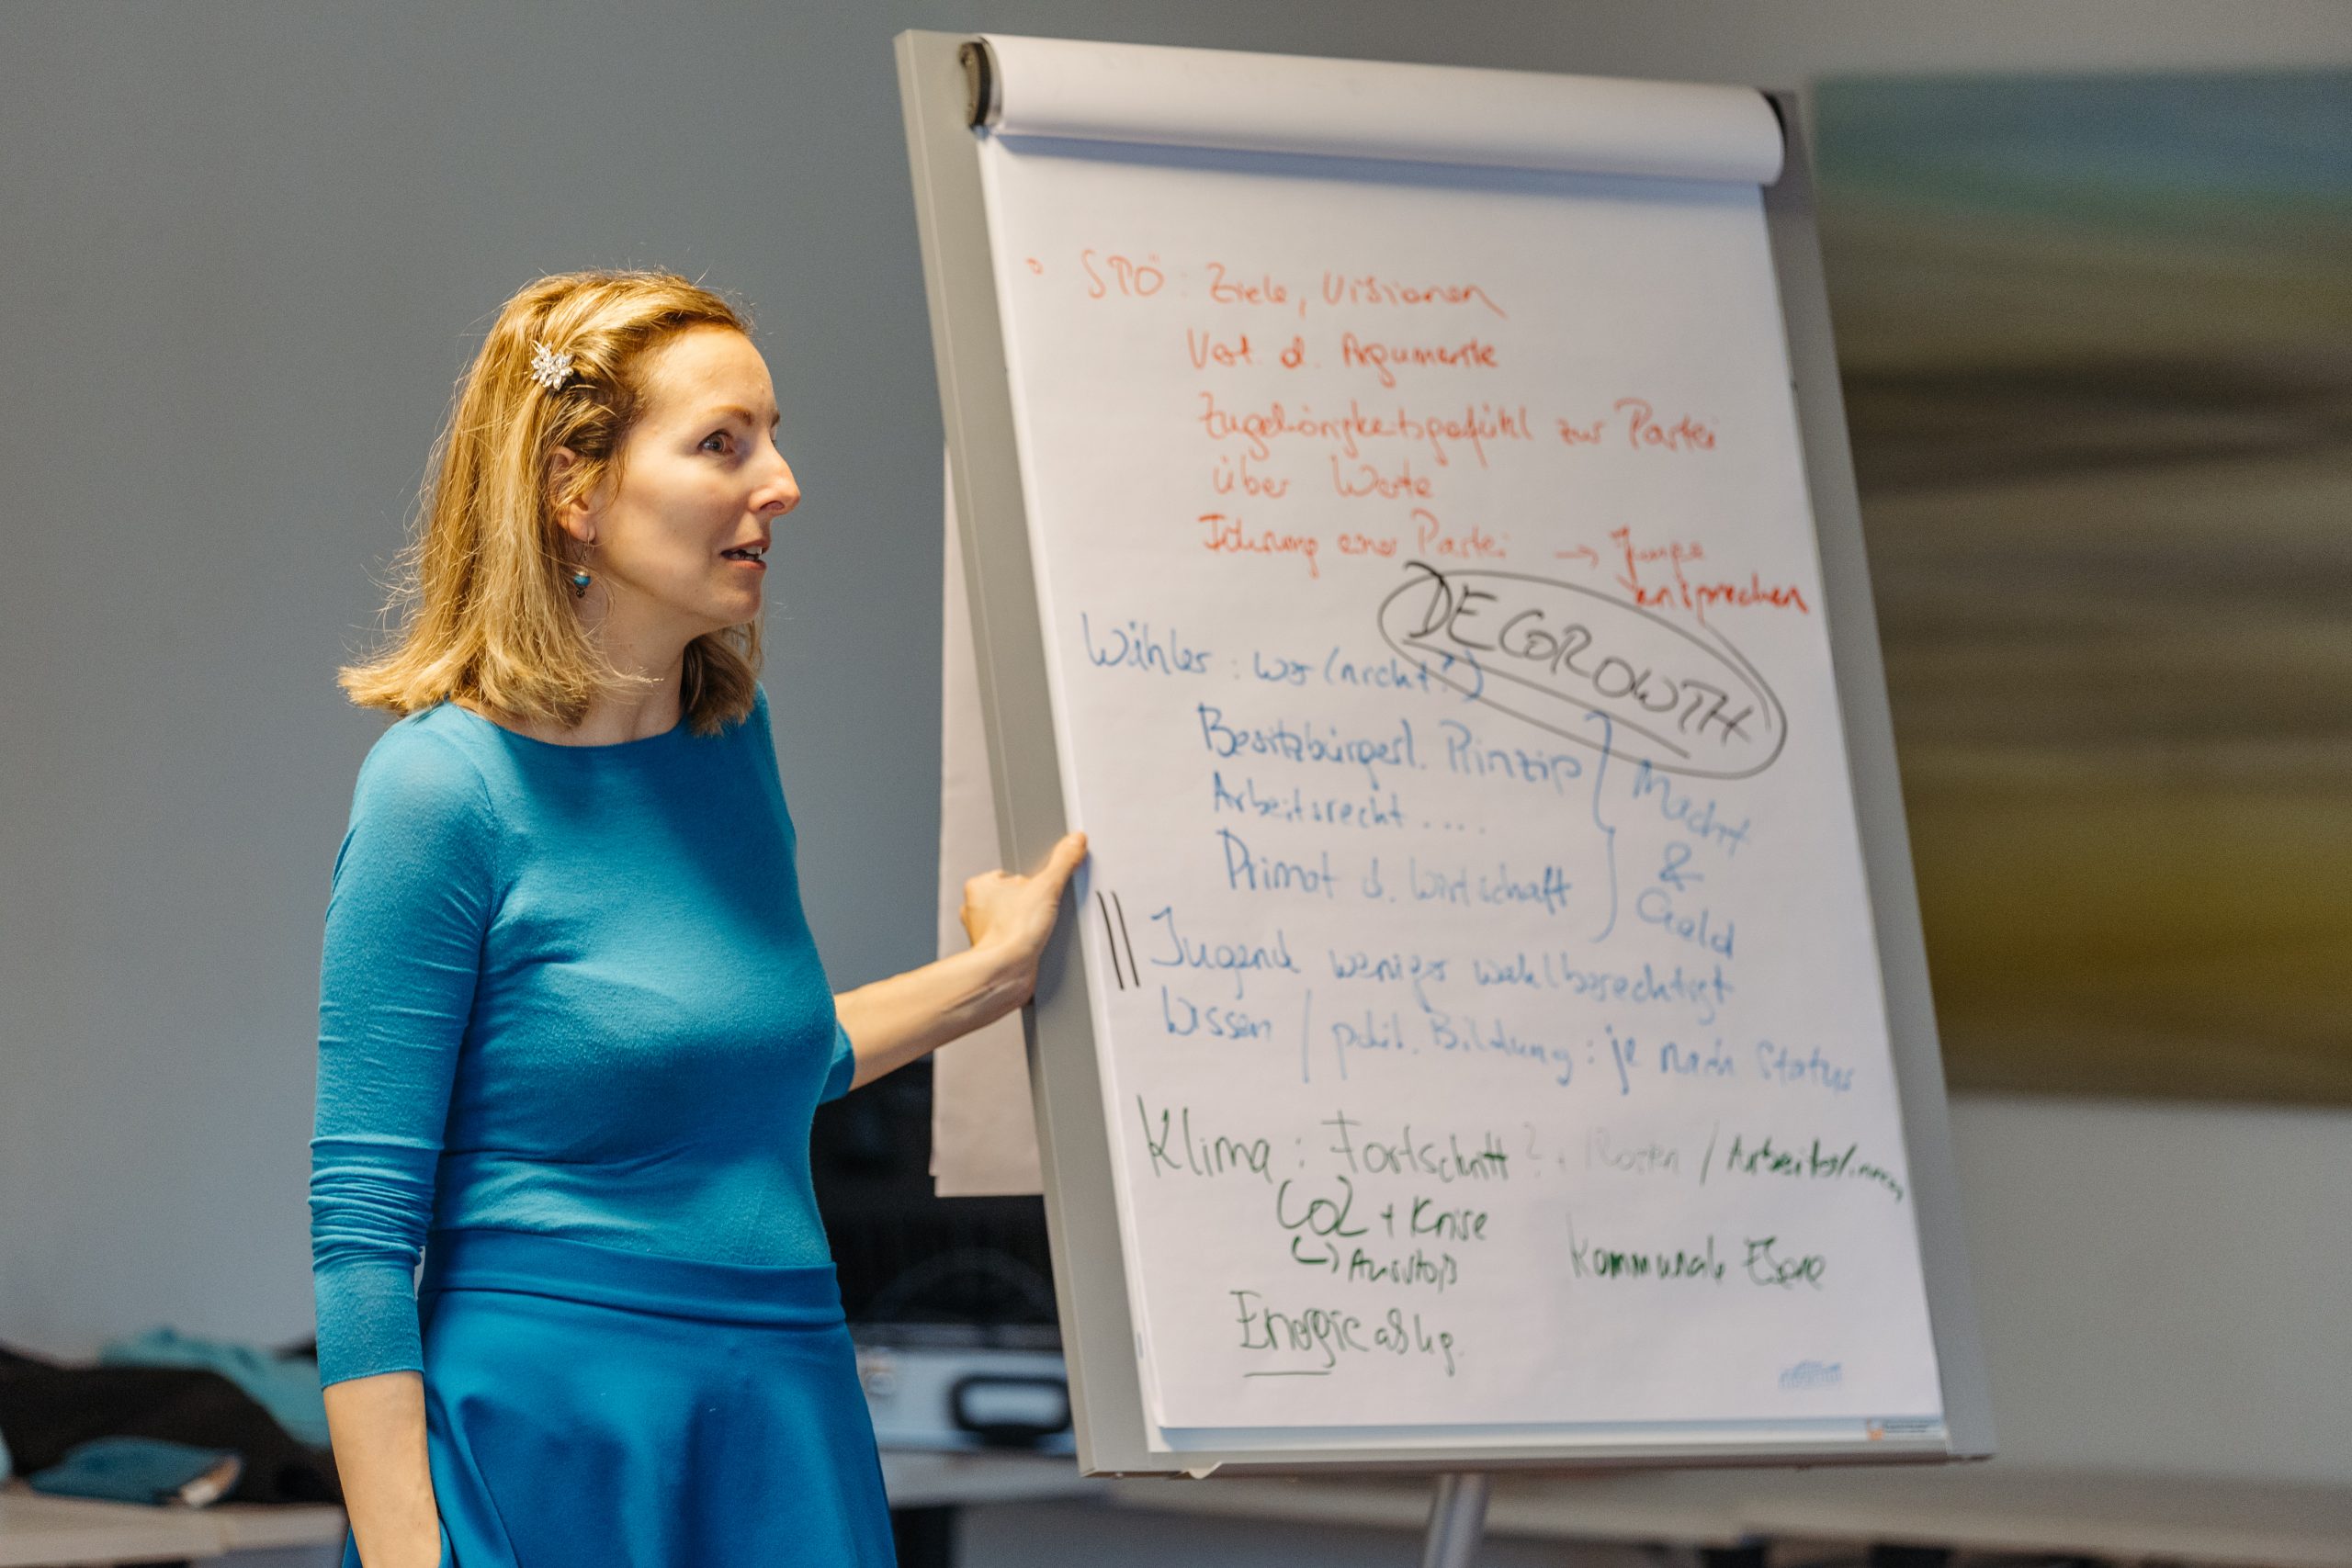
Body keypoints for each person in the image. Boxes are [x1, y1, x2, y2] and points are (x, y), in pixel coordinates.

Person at [312, 270, 1085, 1568]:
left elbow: (752, 1060)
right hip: (555, 1433)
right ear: (574, 489)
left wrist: (994, 975)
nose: (781, 484)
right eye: (723, 443)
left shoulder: (731, 741)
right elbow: (360, 1234)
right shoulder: (441, 790)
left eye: (772, 439)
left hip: (782, 1405)